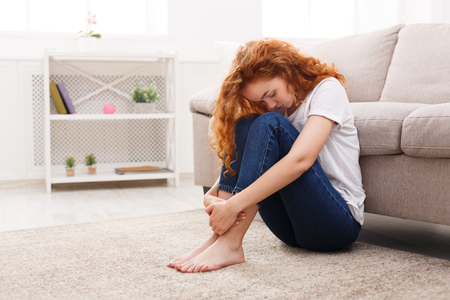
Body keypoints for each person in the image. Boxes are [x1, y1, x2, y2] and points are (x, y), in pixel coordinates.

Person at [168, 38, 365, 273]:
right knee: (245, 123)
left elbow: (301, 160)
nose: (271, 104)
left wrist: (233, 206)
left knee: (270, 123)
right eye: (262, 100)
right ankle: (220, 238)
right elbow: (255, 162)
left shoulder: (327, 89)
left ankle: (230, 244)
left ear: (285, 70)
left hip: (336, 224)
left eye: (271, 93)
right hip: (290, 231)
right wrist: (212, 197)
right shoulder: (278, 107)